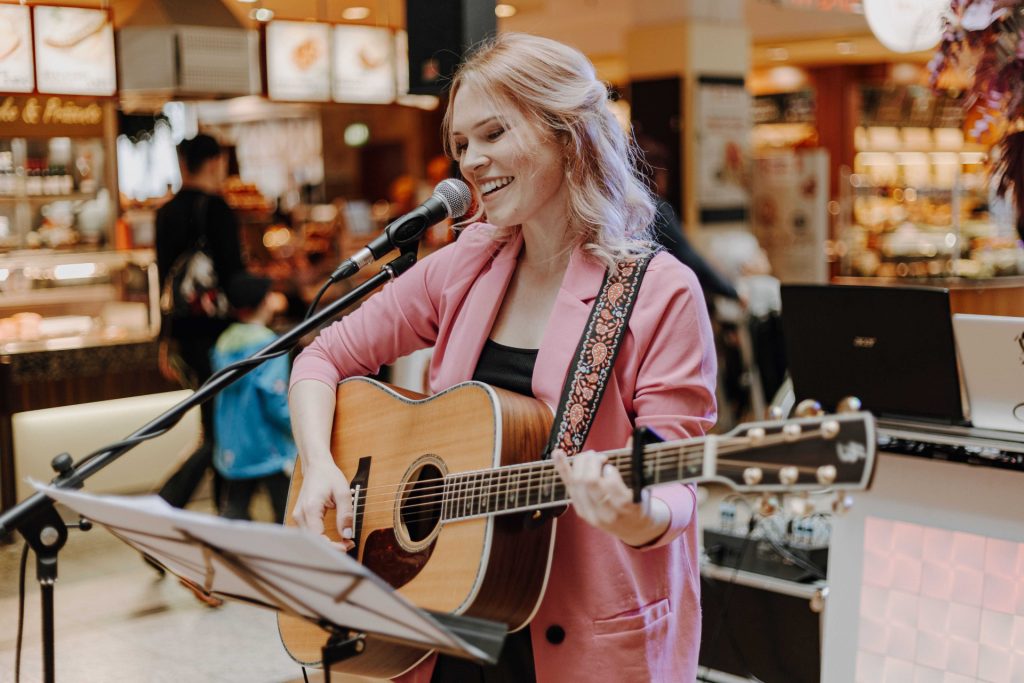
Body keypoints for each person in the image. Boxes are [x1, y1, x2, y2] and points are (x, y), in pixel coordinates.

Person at [288, 33, 717, 681]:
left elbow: (681, 477)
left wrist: (639, 514)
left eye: (493, 134)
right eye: (461, 144)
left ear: (566, 134)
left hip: (587, 635)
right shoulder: (464, 265)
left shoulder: (658, 291)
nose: (472, 161)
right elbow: (322, 357)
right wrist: (320, 463)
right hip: (448, 625)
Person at [155, 134, 245, 511]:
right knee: (221, 429)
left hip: (182, 337)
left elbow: (163, 279)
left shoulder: (165, 212)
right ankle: (167, 506)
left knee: (216, 425)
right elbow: (234, 277)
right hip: (217, 336)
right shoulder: (218, 209)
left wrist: (164, 338)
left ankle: (221, 516)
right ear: (213, 163)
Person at [211, 274, 294, 522]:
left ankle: (229, 556)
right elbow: (275, 397)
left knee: (236, 508)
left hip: (234, 443)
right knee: (286, 511)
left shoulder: (223, 342)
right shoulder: (268, 345)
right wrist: (295, 427)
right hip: (269, 444)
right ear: (263, 303)